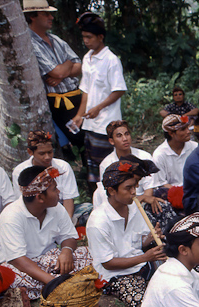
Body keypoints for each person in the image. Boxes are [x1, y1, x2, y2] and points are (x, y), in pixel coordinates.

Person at [0, 166, 91, 300]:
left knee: (89, 254)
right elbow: (18, 260)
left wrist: (66, 251)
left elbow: (69, 236)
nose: (59, 192)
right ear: (40, 197)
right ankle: (62, 283)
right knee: (10, 278)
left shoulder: (56, 207)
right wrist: (53, 281)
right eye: (54, 189)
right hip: (21, 268)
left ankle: (58, 284)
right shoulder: (10, 216)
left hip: (50, 260)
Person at [86, 159, 166, 307]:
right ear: (111, 191)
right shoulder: (98, 222)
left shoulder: (133, 208)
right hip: (115, 275)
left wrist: (149, 238)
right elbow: (108, 263)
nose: (134, 192)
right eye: (128, 188)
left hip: (139, 264)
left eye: (134, 187)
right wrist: (145, 257)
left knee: (178, 271)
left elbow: (135, 244)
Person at [72, 12, 127, 184]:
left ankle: (112, 190)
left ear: (100, 37)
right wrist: (79, 115)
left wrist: (99, 107)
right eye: (84, 37)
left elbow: (118, 90)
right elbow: (85, 90)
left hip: (107, 122)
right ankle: (96, 194)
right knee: (92, 162)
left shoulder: (111, 60)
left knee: (107, 161)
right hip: (90, 122)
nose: (86, 41)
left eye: (89, 37)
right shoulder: (87, 58)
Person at [94, 120, 177, 230]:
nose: (125, 139)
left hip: (145, 201)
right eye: (119, 136)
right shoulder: (106, 164)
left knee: (162, 207)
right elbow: (110, 195)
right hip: (122, 203)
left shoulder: (143, 156)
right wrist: (142, 198)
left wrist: (146, 198)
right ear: (111, 141)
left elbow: (149, 189)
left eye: (127, 134)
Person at [25, 0, 84, 150]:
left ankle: (89, 166)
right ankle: (84, 166)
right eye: (46, 14)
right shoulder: (30, 42)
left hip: (76, 95)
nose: (51, 17)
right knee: (77, 136)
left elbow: (79, 66)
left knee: (88, 132)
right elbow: (57, 71)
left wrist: (63, 72)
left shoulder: (56, 40)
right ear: (32, 16)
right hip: (59, 102)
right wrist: (65, 67)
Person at [12, 130, 80, 220]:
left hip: (61, 210)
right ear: (30, 152)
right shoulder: (20, 171)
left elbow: (68, 199)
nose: (47, 157)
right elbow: (24, 203)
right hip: (35, 213)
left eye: (50, 152)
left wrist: (67, 222)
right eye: (42, 153)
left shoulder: (63, 166)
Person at [151, 114, 198, 197]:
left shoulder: (195, 147)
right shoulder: (159, 155)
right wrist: (180, 192)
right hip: (172, 193)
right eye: (183, 129)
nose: (188, 131)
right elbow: (161, 184)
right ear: (171, 133)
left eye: (187, 127)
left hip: (195, 190)